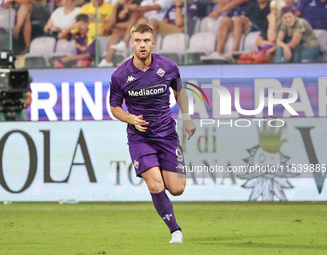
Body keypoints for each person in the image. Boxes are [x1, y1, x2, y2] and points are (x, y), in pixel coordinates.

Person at [109, 24, 196, 243]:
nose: (142, 45)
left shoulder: (168, 67)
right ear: (131, 43)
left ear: (153, 42)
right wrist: (130, 119)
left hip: (167, 135)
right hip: (140, 137)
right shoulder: (120, 75)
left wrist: (186, 117)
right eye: (138, 40)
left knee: (177, 189)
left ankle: (164, 188)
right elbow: (115, 107)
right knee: (156, 185)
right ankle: (175, 231)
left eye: (146, 40)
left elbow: (179, 91)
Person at [203, 0, 270, 62]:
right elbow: (246, 18)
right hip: (247, 24)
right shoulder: (253, 7)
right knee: (225, 20)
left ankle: (235, 51)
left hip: (259, 27)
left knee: (238, 20)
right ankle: (219, 52)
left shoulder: (270, 7)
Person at [0, 50, 32, 121]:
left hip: (20, 118)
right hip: (0, 120)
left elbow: (29, 98)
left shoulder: (20, 80)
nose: (5, 69)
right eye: (2, 66)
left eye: (8, 66)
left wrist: (23, 103)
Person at [98, 0, 143, 67]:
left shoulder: (136, 3)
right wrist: (115, 7)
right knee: (115, 31)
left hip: (134, 27)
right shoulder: (119, 6)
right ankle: (108, 60)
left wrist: (127, 9)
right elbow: (111, 24)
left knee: (122, 27)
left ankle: (126, 45)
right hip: (122, 29)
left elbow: (134, 23)